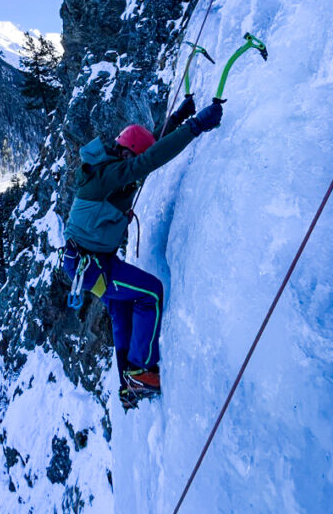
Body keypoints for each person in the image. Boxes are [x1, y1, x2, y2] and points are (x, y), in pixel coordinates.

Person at [62, 94, 223, 408]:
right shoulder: (108, 176)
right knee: (150, 293)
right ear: (124, 153)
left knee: (122, 311)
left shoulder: (110, 166)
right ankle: (142, 374)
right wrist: (195, 126)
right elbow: (146, 161)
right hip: (92, 264)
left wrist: (175, 119)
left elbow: (145, 156)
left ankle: (130, 382)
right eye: (130, 159)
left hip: (88, 262)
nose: (132, 168)